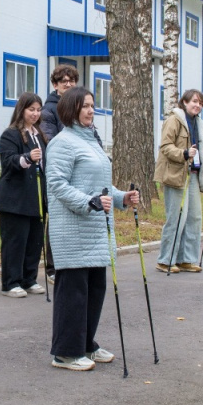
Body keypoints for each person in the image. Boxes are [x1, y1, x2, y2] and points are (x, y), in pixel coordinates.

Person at [45, 86, 139, 371]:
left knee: (95, 290)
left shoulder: (91, 140)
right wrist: (89, 202)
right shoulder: (62, 143)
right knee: (73, 293)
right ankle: (65, 353)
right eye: (85, 106)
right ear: (71, 109)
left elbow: (102, 186)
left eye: (92, 105)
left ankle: (85, 343)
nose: (90, 110)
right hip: (72, 231)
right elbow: (57, 184)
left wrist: (122, 198)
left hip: (96, 229)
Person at [154, 89, 203, 273]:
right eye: (194, 101)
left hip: (193, 175)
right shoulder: (174, 120)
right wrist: (183, 153)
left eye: (200, 103)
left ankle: (186, 259)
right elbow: (165, 147)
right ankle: (165, 260)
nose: (197, 105)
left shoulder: (200, 124)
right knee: (176, 218)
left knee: (194, 217)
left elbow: (199, 152)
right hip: (176, 176)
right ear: (184, 102)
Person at [0, 92, 48, 298]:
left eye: (38, 110)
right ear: (21, 110)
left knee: (34, 240)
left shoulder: (39, 135)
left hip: (35, 197)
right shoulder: (11, 134)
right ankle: (11, 282)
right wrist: (27, 157)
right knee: (15, 241)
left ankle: (29, 279)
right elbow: (8, 162)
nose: (35, 114)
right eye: (31, 109)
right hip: (15, 199)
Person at [39, 63, 80, 282]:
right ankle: (52, 268)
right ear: (55, 85)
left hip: (78, 171)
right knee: (56, 218)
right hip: (57, 171)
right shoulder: (48, 110)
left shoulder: (78, 107)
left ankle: (70, 263)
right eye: (63, 81)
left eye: (72, 81)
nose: (68, 84)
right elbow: (50, 140)